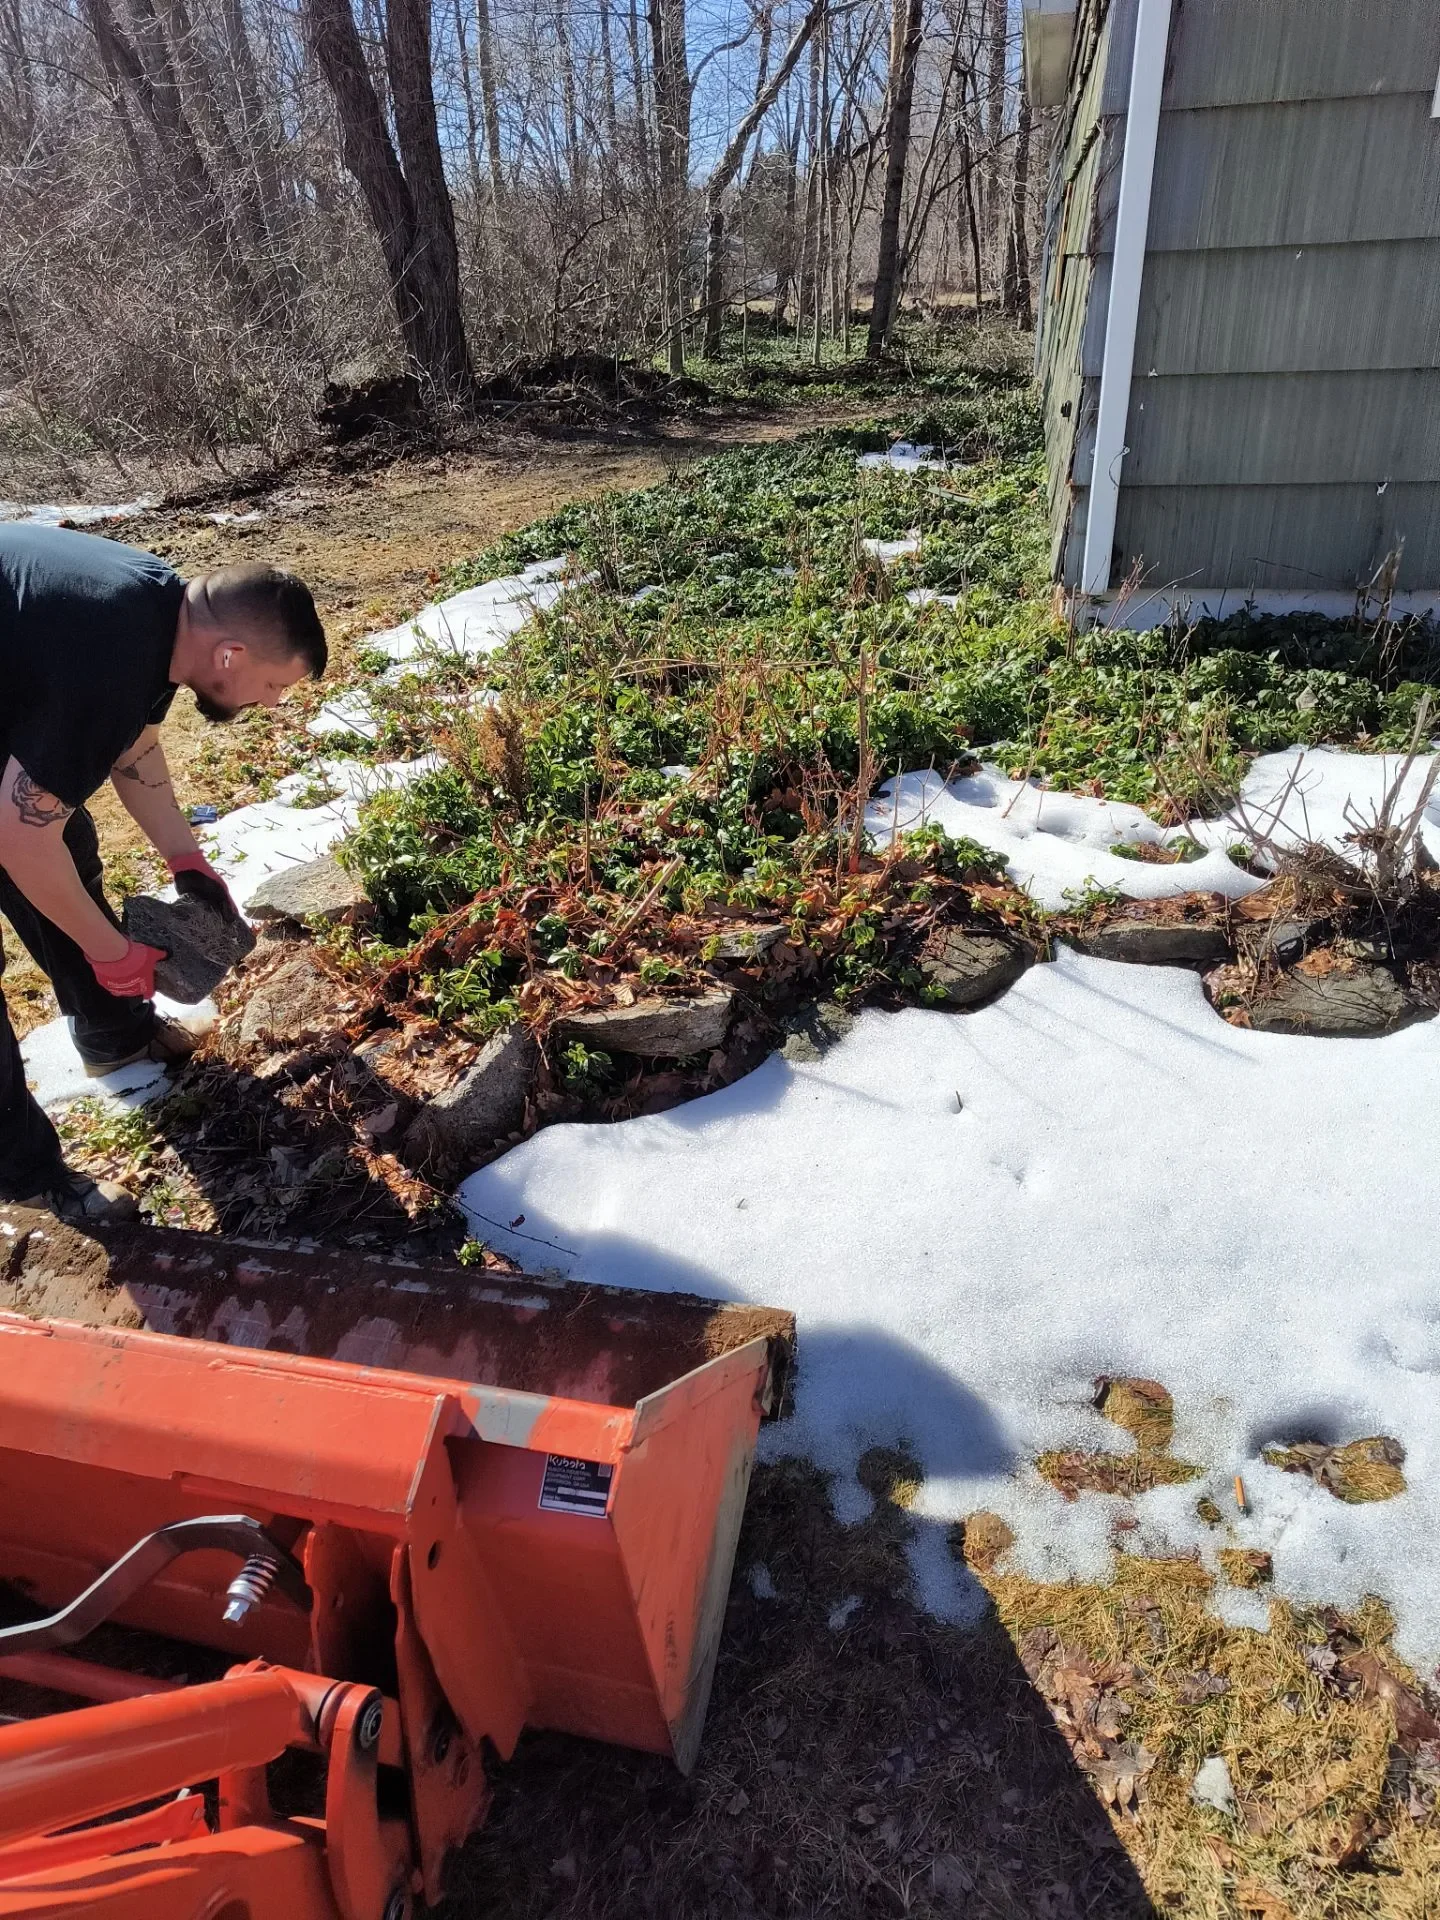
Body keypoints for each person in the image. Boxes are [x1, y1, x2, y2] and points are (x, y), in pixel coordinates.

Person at [0, 525, 326, 1223]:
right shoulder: (111, 656)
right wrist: (110, 950)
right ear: (231, 654)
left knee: (64, 831)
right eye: (272, 686)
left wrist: (187, 857)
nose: (269, 704)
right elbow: (19, 841)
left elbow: (133, 745)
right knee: (36, 836)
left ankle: (113, 1033)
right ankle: (23, 1184)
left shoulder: (158, 610)